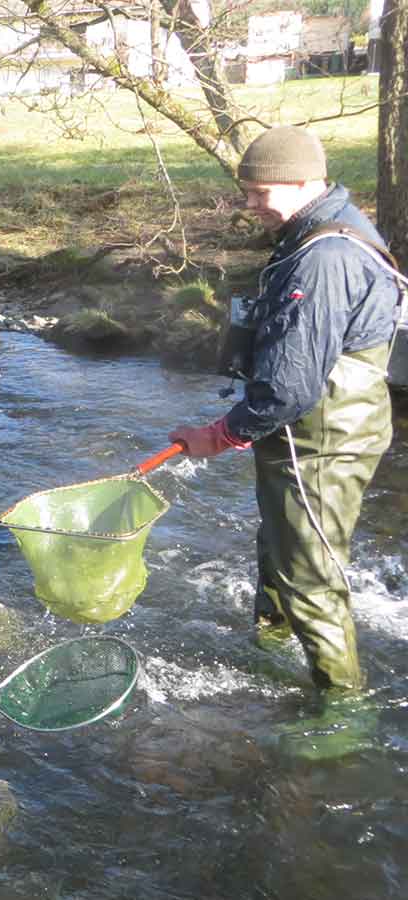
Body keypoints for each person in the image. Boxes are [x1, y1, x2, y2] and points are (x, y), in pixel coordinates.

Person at [170, 126, 402, 693]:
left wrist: (220, 435)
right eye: (246, 192)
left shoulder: (321, 259)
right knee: (279, 547)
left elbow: (291, 387)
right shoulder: (323, 228)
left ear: (303, 182)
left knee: (310, 578)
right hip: (315, 433)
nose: (249, 206)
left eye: (259, 193)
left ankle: (341, 713)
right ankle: (272, 645)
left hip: (322, 441)